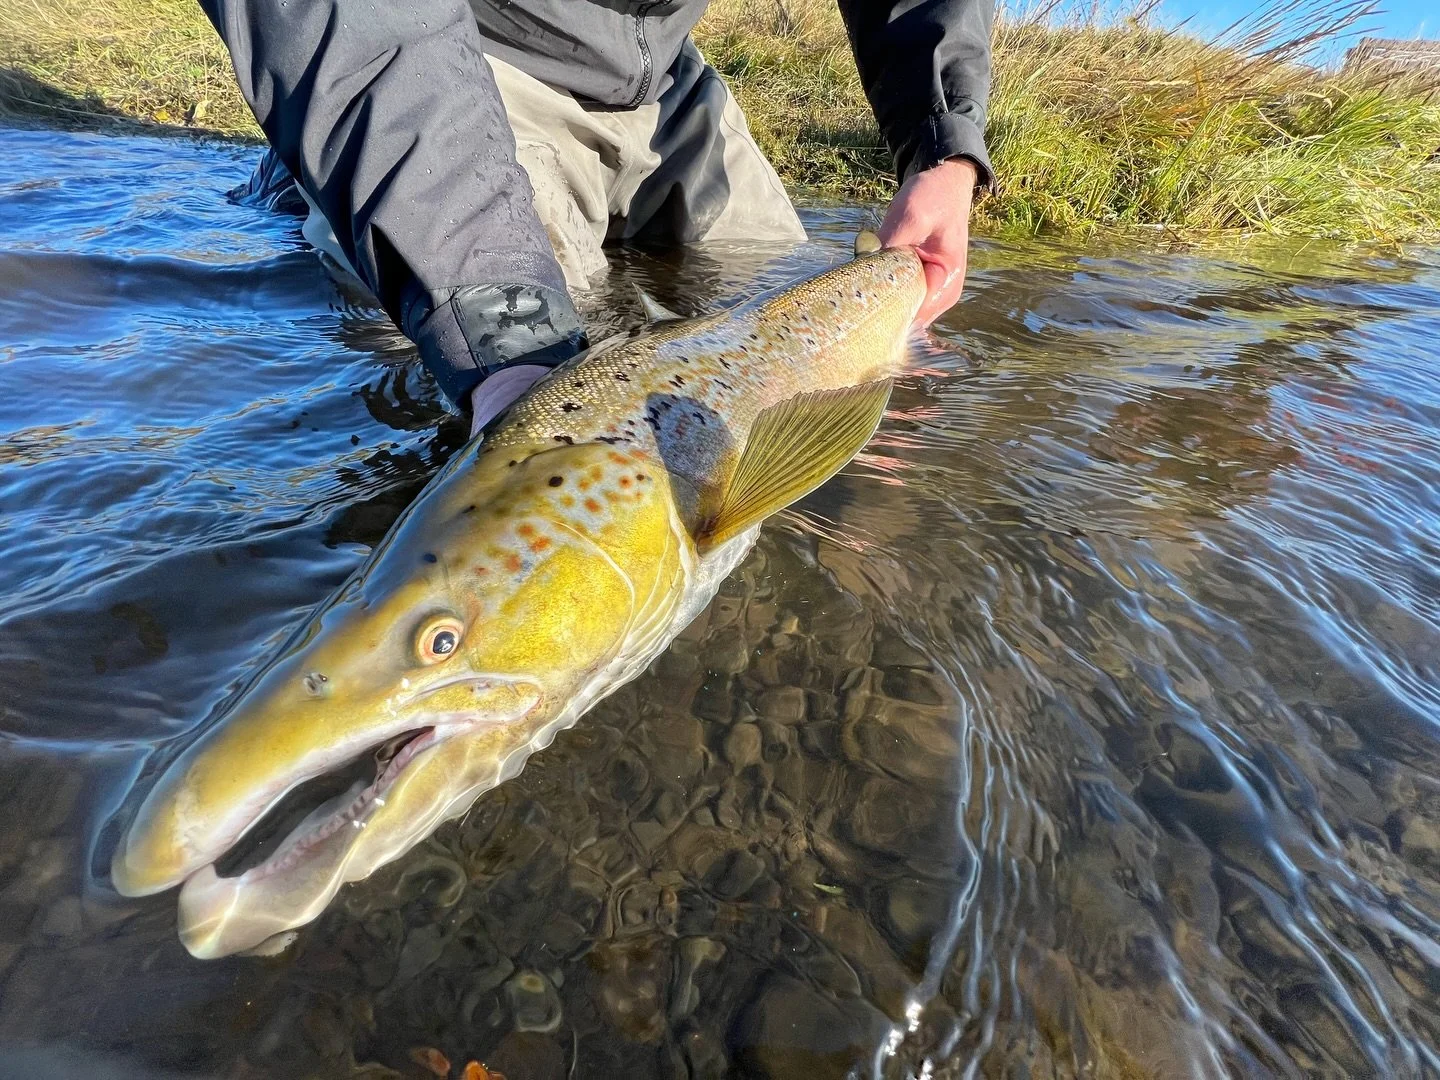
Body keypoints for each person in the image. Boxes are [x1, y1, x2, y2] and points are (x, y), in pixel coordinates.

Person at [203, 0, 994, 435]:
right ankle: (317, 170)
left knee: (790, 323)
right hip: (454, 53)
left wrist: (944, 144)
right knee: (461, 358)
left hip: (661, 80)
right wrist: (503, 349)